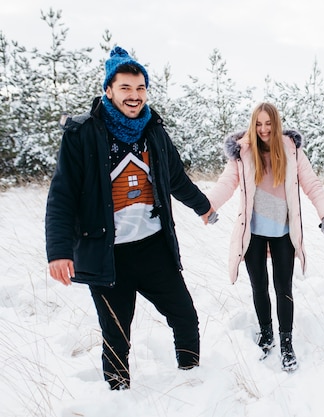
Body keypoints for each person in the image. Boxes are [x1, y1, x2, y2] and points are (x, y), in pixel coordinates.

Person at [45, 46, 216, 390]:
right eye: (125, 88)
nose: (134, 96)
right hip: (107, 255)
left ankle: (192, 379)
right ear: (109, 90)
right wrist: (58, 251)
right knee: (116, 335)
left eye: (140, 89)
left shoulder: (153, 131)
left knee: (185, 316)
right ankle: (119, 397)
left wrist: (203, 206)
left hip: (153, 249)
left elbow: (176, 178)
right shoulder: (83, 135)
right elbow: (62, 195)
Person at [206, 102, 324, 372]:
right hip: (253, 233)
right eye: (259, 124)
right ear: (252, 124)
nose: (264, 129)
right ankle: (266, 333)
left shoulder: (291, 150)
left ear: (276, 124)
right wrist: (207, 206)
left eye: (268, 123)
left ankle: (286, 342)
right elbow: (226, 184)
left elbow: (312, 184)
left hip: (283, 233)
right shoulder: (242, 152)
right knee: (259, 286)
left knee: (284, 288)